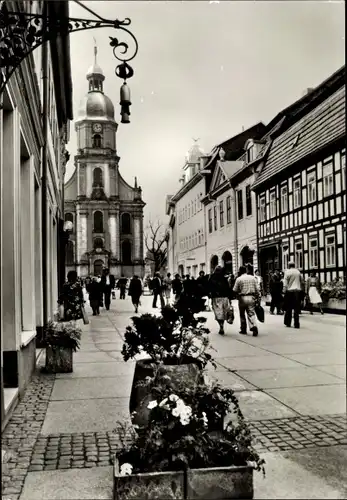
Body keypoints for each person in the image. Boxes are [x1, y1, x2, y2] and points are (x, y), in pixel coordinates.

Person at [233, 265, 261, 337]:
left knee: (242, 314)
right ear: (246, 270)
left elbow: (234, 290)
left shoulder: (239, 279)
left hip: (242, 298)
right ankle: (253, 326)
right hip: (251, 297)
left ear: (240, 271)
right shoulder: (253, 278)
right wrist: (258, 298)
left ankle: (243, 329)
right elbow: (258, 289)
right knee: (251, 313)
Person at [208, 266, 233, 336]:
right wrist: (230, 298)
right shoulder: (224, 278)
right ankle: (222, 324)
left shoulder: (212, 277)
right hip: (225, 297)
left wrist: (210, 295)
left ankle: (221, 325)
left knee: (218, 312)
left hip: (216, 297)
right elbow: (228, 288)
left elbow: (209, 287)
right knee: (224, 311)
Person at [283, 261, 304, 329]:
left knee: (289, 308)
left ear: (289, 265)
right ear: (294, 265)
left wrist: (284, 291)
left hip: (290, 291)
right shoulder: (298, 272)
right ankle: (296, 324)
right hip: (297, 291)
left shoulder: (287, 272)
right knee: (296, 308)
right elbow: (302, 281)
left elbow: (285, 283)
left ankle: (288, 322)